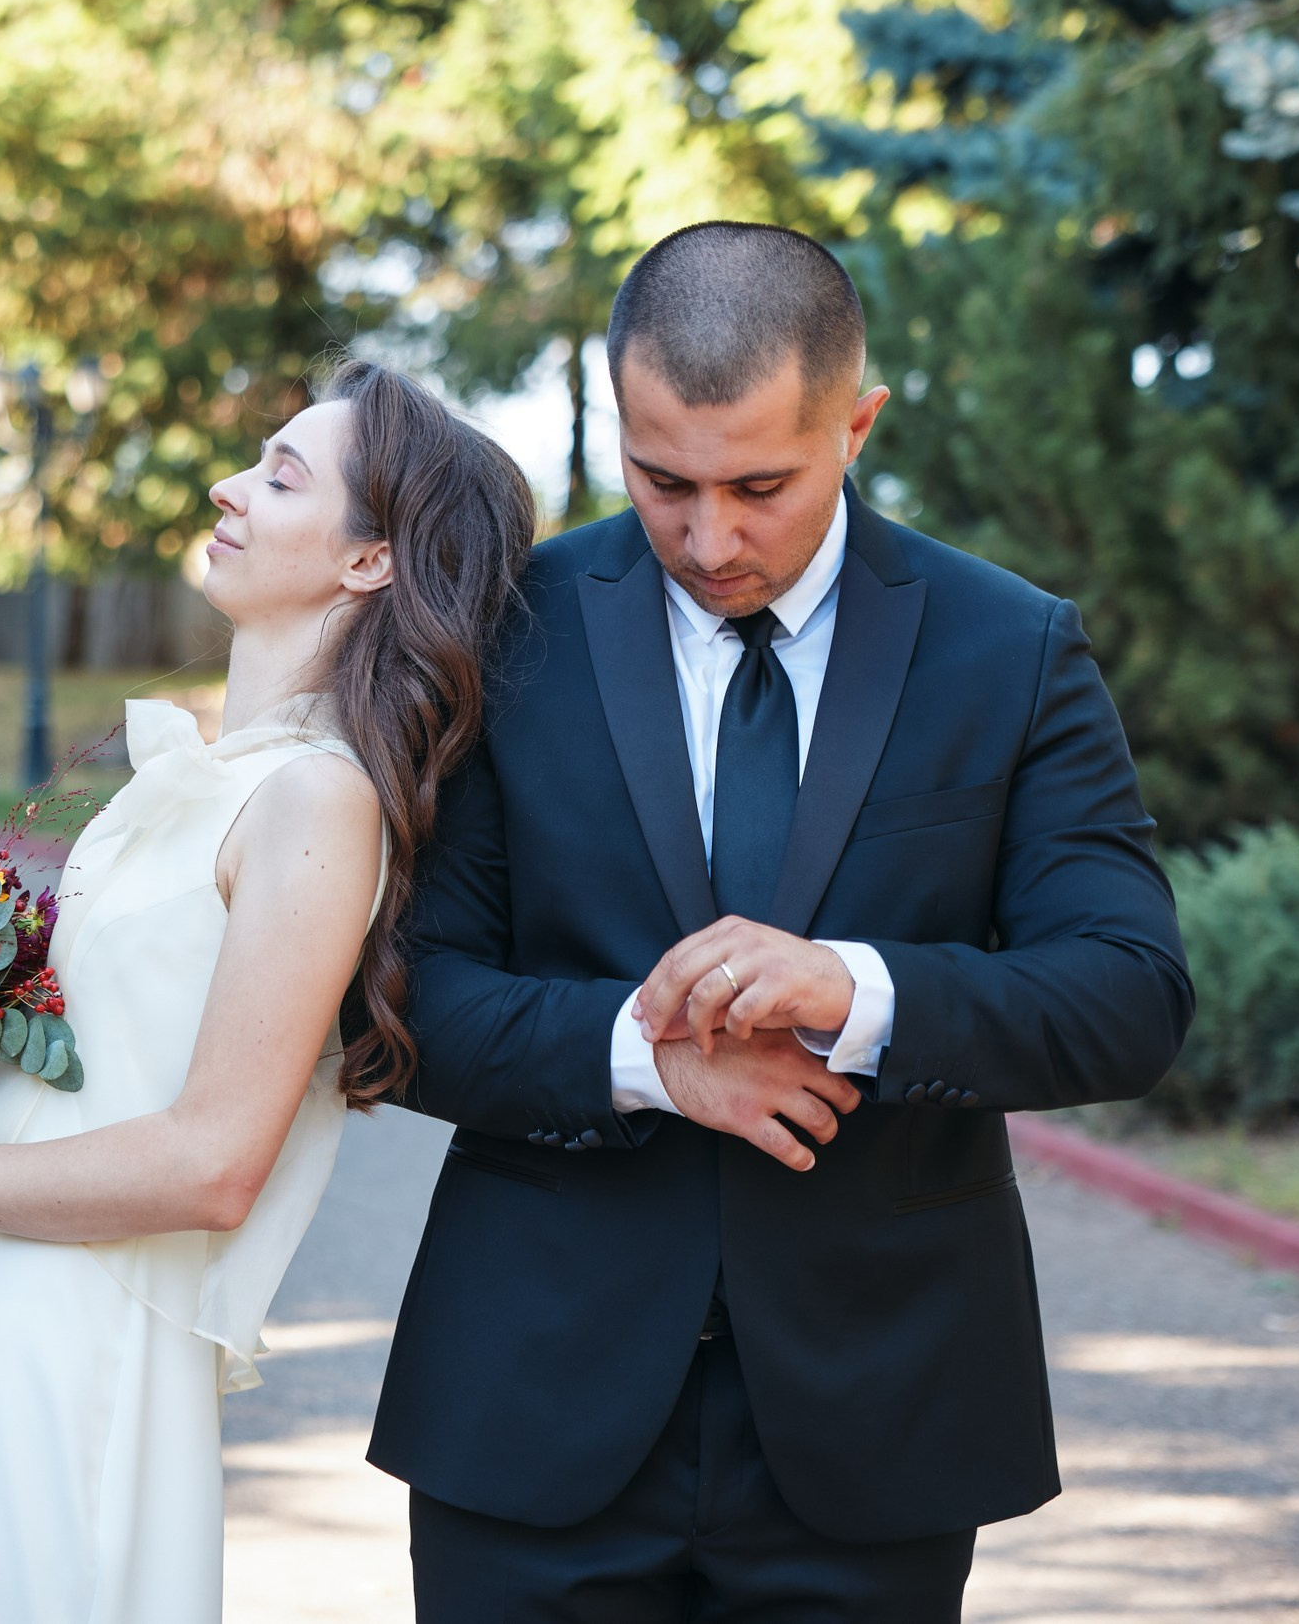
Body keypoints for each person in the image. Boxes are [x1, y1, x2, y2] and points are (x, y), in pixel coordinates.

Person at [372, 221, 1193, 1622]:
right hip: (531, 1406)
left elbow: (1127, 992)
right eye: (661, 479)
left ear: (857, 422)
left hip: (883, 1417)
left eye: (760, 483)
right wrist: (647, 1056)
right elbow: (406, 1001)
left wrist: (854, 989)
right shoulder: (500, 626)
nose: (708, 536)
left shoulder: (1011, 646)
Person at [0, 356, 536, 1623]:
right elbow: (102, 1072)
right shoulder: (225, 776)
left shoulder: (316, 800)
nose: (228, 486)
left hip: (87, 1332)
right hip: (10, 1293)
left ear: (368, 561)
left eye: (281, 477)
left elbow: (214, 1162)